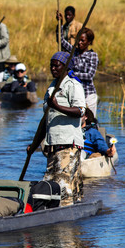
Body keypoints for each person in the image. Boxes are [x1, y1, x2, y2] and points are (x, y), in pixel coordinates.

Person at [30, 51, 86, 206]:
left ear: (66, 67)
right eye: (51, 66)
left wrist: (57, 106)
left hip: (68, 144)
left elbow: (81, 111)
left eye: (57, 66)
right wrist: (34, 145)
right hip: (52, 144)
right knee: (49, 184)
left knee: (63, 186)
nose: (53, 69)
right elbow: (46, 120)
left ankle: (66, 218)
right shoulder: (52, 87)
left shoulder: (73, 85)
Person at [61, 28, 99, 116]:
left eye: (82, 40)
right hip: (76, 93)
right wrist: (60, 26)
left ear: (89, 42)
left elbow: (90, 76)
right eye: (78, 40)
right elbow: (62, 41)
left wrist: (73, 74)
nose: (79, 43)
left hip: (88, 94)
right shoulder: (74, 51)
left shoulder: (92, 55)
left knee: (89, 120)